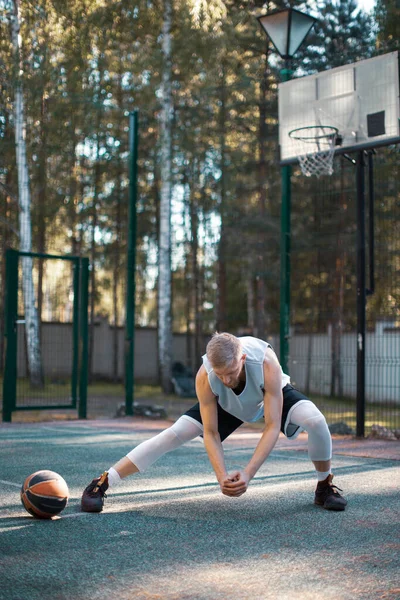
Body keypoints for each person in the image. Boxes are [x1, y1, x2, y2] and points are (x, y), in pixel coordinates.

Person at [81, 333, 347, 512]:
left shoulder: (266, 363)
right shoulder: (207, 376)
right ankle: (104, 481)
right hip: (227, 405)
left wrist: (248, 474)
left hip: (268, 395)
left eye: (231, 373)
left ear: (242, 360)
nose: (227, 380)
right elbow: (210, 433)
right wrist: (221, 476)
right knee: (173, 434)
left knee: (316, 421)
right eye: (221, 375)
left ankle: (324, 486)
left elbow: (270, 426)